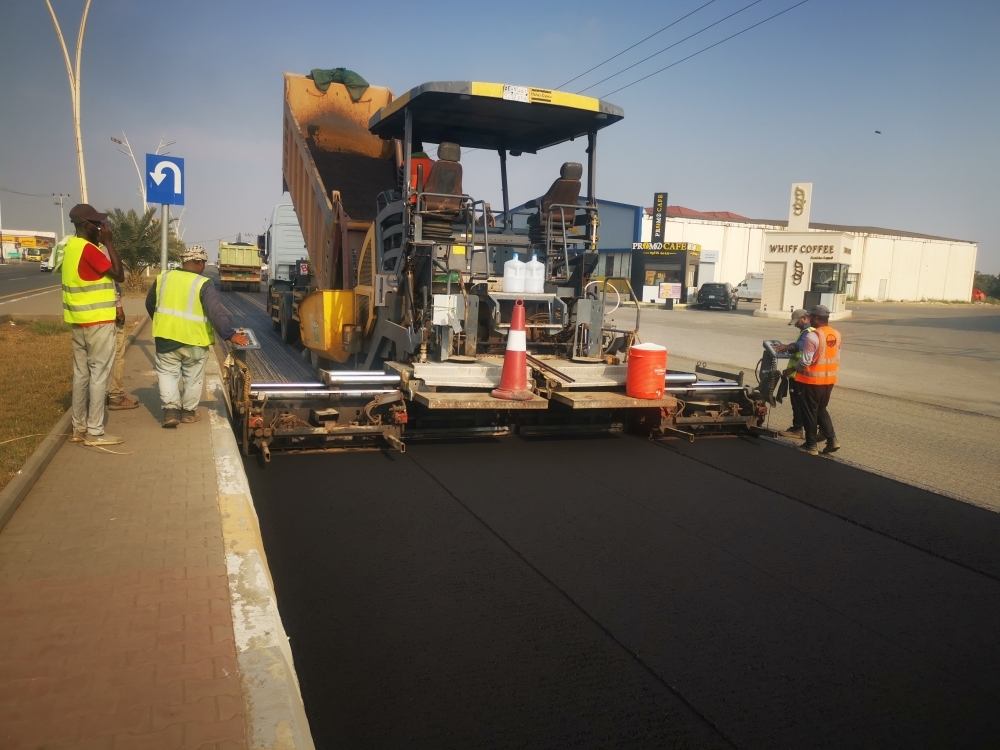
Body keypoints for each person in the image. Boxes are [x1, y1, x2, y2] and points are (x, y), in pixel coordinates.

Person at [145, 245, 249, 427]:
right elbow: (215, 312)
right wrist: (230, 335)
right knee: (192, 377)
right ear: (200, 262)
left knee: (167, 375)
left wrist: (163, 323)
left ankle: (171, 412)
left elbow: (150, 303)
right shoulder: (203, 283)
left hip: (165, 338)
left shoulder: (164, 277)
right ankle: (188, 413)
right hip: (194, 341)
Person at [63, 204, 126, 447]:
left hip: (78, 321)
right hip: (98, 322)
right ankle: (95, 432)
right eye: (97, 223)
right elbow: (119, 275)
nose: (102, 227)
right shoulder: (90, 250)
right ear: (86, 225)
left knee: (81, 375)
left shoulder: (71, 247)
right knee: (99, 375)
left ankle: (78, 429)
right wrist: (109, 243)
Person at [794, 304, 842, 456]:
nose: (808, 320)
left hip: (812, 381)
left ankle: (811, 445)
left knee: (810, 412)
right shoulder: (836, 334)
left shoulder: (813, 336)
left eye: (810, 317)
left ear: (816, 318)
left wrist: (792, 370)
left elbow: (805, 360)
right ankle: (832, 440)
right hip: (829, 380)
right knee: (821, 410)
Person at [776, 308, 813, 438]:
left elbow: (801, 345)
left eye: (797, 322)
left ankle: (797, 429)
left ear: (804, 318)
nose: (796, 325)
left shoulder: (808, 332)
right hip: (803, 373)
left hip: (798, 373)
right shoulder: (810, 331)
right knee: (808, 404)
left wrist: (787, 347)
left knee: (797, 403)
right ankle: (816, 431)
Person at [106, 280, 140, 410]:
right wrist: (118, 305)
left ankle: (100, 394)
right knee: (117, 354)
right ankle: (116, 395)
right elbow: (115, 277)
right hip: (108, 311)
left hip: (83, 315)